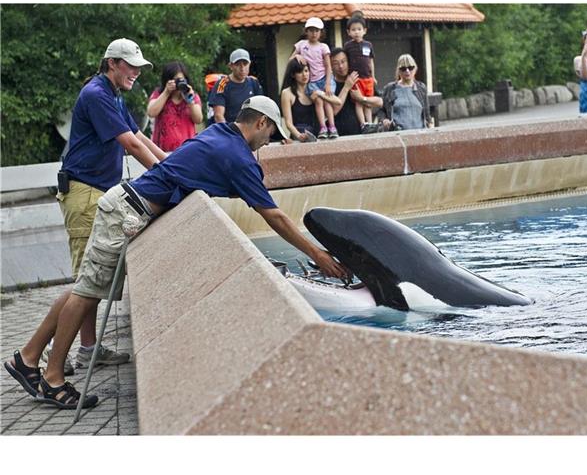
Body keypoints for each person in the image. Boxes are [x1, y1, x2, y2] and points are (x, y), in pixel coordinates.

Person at [4, 96, 349, 410]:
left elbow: (206, 171)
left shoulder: (219, 135)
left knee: (83, 288)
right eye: (270, 133)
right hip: (127, 213)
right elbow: (273, 215)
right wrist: (317, 255)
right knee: (88, 294)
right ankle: (51, 378)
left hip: (123, 204)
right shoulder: (236, 155)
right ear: (261, 123)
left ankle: (28, 357)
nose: (267, 142)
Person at [37, 39, 168, 377]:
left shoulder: (113, 95)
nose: (136, 72)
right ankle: (49, 350)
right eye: (130, 65)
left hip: (97, 191)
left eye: (139, 66)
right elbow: (130, 144)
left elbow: (139, 135)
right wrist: (166, 174)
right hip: (84, 193)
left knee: (92, 279)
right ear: (112, 63)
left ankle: (88, 348)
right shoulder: (97, 94)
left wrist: (170, 163)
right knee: (86, 281)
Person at [290, 18, 337, 139]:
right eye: (311, 30)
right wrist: (298, 55)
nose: (314, 33)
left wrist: (327, 83)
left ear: (321, 32)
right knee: (318, 101)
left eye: (316, 30)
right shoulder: (302, 44)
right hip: (312, 81)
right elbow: (291, 60)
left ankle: (332, 126)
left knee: (327, 99)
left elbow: (328, 66)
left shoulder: (323, 47)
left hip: (324, 78)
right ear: (306, 31)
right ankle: (323, 127)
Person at [147, 61, 203, 151]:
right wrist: (166, 92)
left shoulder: (192, 96)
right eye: (175, 80)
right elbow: (151, 113)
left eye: (180, 80)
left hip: (186, 150)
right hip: (161, 150)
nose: (177, 83)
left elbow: (198, 119)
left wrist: (190, 100)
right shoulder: (159, 93)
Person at [280, 58, 340, 143]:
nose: (304, 75)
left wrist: (320, 93)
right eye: (300, 72)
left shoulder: (315, 89)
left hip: (320, 137)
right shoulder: (287, 93)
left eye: (306, 71)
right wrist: (299, 136)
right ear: (293, 74)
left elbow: (338, 102)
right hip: (299, 138)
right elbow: (288, 123)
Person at [330, 47, 383, 136]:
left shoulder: (360, 79)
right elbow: (334, 111)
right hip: (339, 136)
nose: (341, 66)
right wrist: (346, 87)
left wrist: (361, 98)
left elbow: (380, 102)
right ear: (331, 66)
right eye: (336, 63)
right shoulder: (330, 85)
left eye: (343, 61)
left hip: (362, 134)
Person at [377, 54, 433, 131]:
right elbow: (381, 111)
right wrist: (384, 120)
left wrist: (431, 129)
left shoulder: (421, 88)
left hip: (420, 133)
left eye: (410, 68)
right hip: (398, 134)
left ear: (415, 69)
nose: (407, 71)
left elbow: (427, 114)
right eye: (403, 68)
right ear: (398, 70)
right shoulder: (390, 88)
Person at [209, 48, 263, 123]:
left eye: (245, 64)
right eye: (238, 64)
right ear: (231, 66)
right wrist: (229, 133)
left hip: (250, 129)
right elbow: (218, 116)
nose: (242, 68)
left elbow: (260, 109)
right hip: (229, 129)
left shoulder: (254, 82)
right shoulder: (221, 84)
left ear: (249, 64)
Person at [343, 12, 377, 130]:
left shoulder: (368, 45)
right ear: (349, 32)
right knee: (358, 101)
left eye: (359, 29)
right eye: (353, 29)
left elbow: (371, 61)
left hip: (368, 78)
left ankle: (370, 123)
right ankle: (363, 124)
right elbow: (345, 61)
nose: (356, 32)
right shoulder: (347, 46)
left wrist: (373, 76)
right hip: (356, 78)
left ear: (364, 30)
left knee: (368, 103)